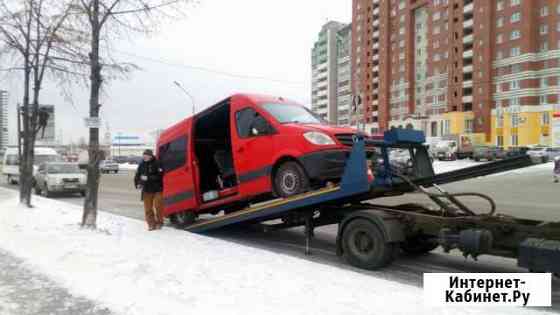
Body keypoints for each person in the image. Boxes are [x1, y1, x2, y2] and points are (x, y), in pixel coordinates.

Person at [134, 149, 164, 230]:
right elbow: (137, 175)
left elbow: (160, 176)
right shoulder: (141, 164)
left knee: (158, 206)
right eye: (144, 155)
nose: (145, 157)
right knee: (148, 208)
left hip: (157, 189)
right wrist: (137, 184)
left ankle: (159, 222)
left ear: (151, 156)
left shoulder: (157, 163)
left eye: (146, 155)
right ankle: (151, 224)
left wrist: (148, 178)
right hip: (147, 189)